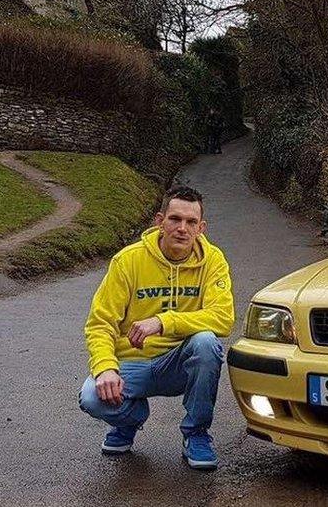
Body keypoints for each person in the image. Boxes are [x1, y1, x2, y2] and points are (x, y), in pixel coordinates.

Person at [78, 185, 234, 470]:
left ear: (202, 228)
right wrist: (105, 368)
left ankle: (196, 434)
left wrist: (164, 321)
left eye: (190, 222)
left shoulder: (213, 261)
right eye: (175, 219)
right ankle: (130, 419)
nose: (182, 229)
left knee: (207, 343)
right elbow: (101, 323)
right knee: (91, 397)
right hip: (132, 363)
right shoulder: (128, 261)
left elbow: (223, 317)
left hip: (178, 363)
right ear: (160, 221)